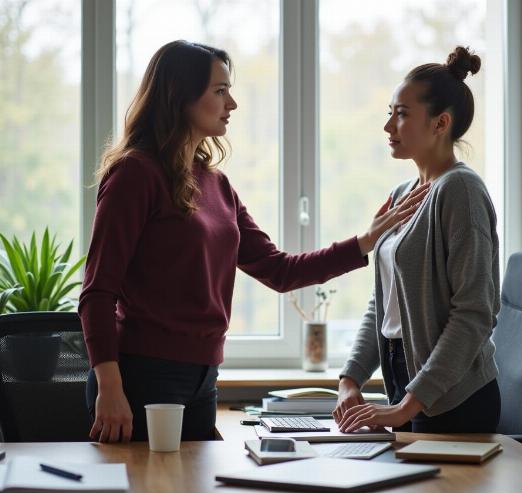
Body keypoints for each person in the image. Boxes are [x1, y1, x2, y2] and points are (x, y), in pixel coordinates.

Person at [79, 39, 430, 444]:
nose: (232, 103)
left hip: (203, 377)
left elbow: (279, 270)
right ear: (181, 96)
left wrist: (365, 241)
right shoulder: (135, 175)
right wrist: (109, 384)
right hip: (141, 375)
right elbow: (97, 293)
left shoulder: (217, 184)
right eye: (220, 90)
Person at [334, 46, 501, 438]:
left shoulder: (460, 190)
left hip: (452, 398)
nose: (389, 126)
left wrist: (408, 405)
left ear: (440, 123)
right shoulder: (401, 194)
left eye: (402, 114)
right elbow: (384, 304)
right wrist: (350, 378)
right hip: (407, 386)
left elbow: (475, 313)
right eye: (389, 113)